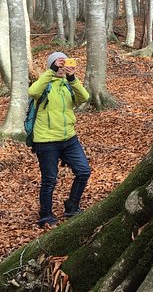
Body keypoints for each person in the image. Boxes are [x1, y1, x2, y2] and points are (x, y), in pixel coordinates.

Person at [28, 52, 91, 229]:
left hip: (69, 139)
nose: (61, 67)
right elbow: (32, 91)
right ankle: (45, 215)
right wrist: (51, 71)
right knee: (50, 180)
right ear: (51, 66)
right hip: (46, 141)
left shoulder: (67, 85)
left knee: (83, 171)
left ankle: (72, 205)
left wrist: (72, 77)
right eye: (58, 64)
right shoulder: (43, 85)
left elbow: (85, 97)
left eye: (64, 63)